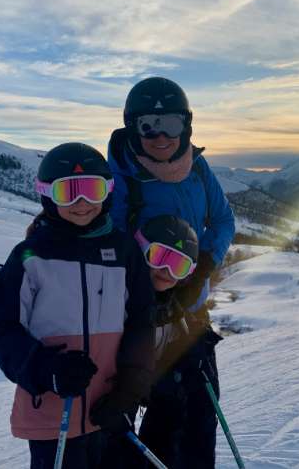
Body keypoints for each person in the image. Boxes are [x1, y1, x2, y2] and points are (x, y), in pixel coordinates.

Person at [0, 142, 155, 469]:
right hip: (52, 413)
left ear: (107, 192)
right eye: (69, 192)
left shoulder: (124, 252)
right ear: (47, 194)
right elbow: (2, 331)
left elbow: (142, 323)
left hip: (110, 406)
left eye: (92, 190)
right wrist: (46, 369)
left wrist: (131, 386)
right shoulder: (31, 256)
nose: (82, 203)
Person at [107, 76, 235, 468]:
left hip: (192, 316)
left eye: (172, 124)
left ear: (187, 124)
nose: (160, 136)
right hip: (142, 321)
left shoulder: (197, 168)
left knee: (196, 424)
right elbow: (103, 239)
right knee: (126, 432)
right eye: (148, 125)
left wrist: (199, 271)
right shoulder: (120, 177)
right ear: (133, 126)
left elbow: (224, 221)